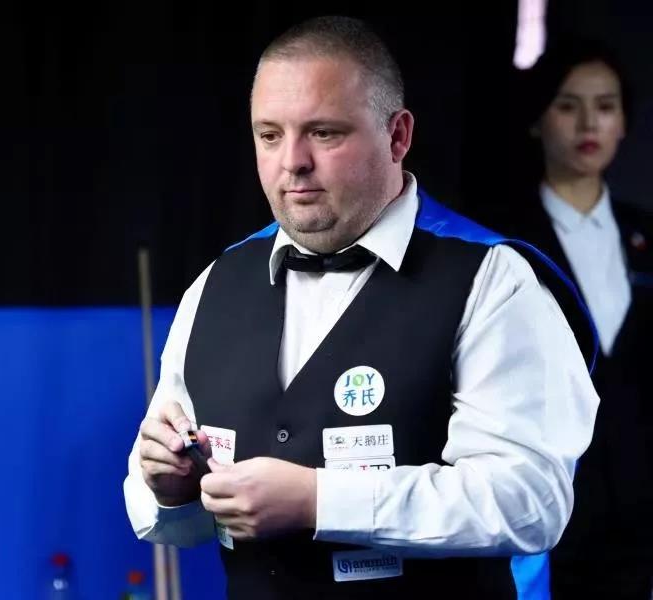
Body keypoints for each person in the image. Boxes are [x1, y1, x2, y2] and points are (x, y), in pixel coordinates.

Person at [123, 16, 599, 599]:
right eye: (269, 135)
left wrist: (321, 501)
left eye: (323, 133)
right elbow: (166, 515)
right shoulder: (215, 285)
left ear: (398, 136)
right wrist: (170, 490)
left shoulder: (494, 279)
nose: (292, 161)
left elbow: (531, 503)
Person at [484, 38, 653, 599]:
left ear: (624, 122)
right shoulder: (500, 241)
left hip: (640, 513)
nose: (588, 123)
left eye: (605, 106)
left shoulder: (646, 235)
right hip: (550, 508)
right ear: (538, 119)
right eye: (567, 105)